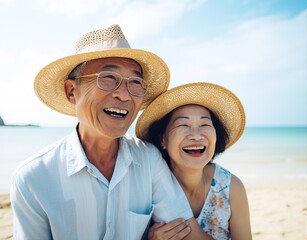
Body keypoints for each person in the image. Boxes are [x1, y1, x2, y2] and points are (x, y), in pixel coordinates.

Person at [10, 25, 211, 239]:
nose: (124, 95)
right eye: (107, 78)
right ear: (71, 91)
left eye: (135, 82)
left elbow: (188, 232)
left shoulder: (149, 160)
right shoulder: (33, 178)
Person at [136, 82, 252, 240]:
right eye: (183, 124)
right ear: (162, 139)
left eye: (205, 124)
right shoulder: (147, 188)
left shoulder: (231, 188)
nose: (196, 135)